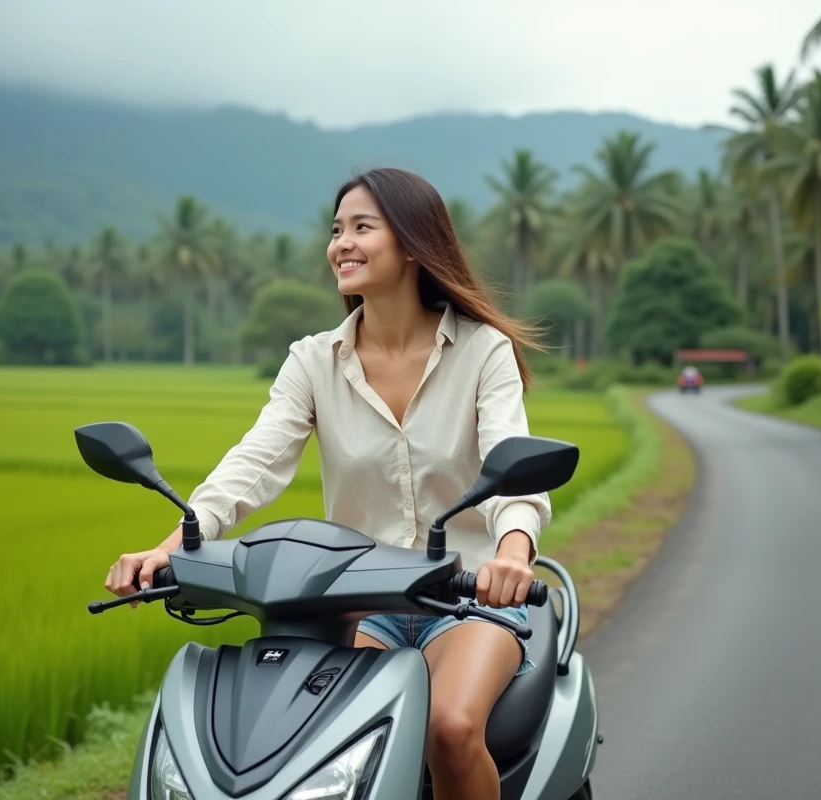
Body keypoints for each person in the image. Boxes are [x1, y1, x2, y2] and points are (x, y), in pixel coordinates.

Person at [104, 167, 553, 800]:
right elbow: (253, 461)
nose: (341, 243)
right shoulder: (314, 360)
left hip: (468, 598)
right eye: (336, 229)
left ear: (414, 243)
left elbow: (511, 461)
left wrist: (510, 554)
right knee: (317, 740)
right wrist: (169, 547)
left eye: (362, 228)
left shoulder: (484, 352)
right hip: (364, 600)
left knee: (450, 728)